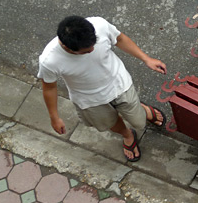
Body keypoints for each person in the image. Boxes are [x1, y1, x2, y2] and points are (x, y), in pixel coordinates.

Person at [38, 16, 167, 162]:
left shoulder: (99, 25)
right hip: (89, 100)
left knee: (139, 122)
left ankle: (142, 109)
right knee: (109, 123)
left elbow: (120, 39)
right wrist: (54, 117)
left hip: (119, 84)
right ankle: (127, 135)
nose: (92, 50)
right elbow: (49, 88)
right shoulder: (49, 60)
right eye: (87, 51)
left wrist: (146, 59)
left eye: (94, 44)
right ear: (68, 48)